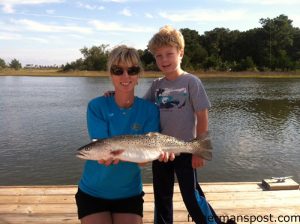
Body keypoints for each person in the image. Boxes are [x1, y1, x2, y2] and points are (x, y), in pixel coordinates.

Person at [145, 25, 235, 224]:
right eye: (158, 56)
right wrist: (115, 97)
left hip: (186, 150)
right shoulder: (156, 85)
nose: (164, 60)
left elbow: (202, 117)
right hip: (160, 151)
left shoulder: (191, 82)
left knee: (191, 196)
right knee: (161, 196)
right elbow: (141, 109)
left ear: (181, 53)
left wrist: (199, 150)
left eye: (169, 54)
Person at [75, 45, 160, 224]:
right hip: (92, 192)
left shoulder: (150, 110)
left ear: (139, 75)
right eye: (118, 70)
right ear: (110, 74)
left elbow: (144, 160)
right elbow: (101, 146)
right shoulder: (96, 106)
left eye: (132, 70)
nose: (125, 76)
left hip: (129, 194)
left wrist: (158, 153)